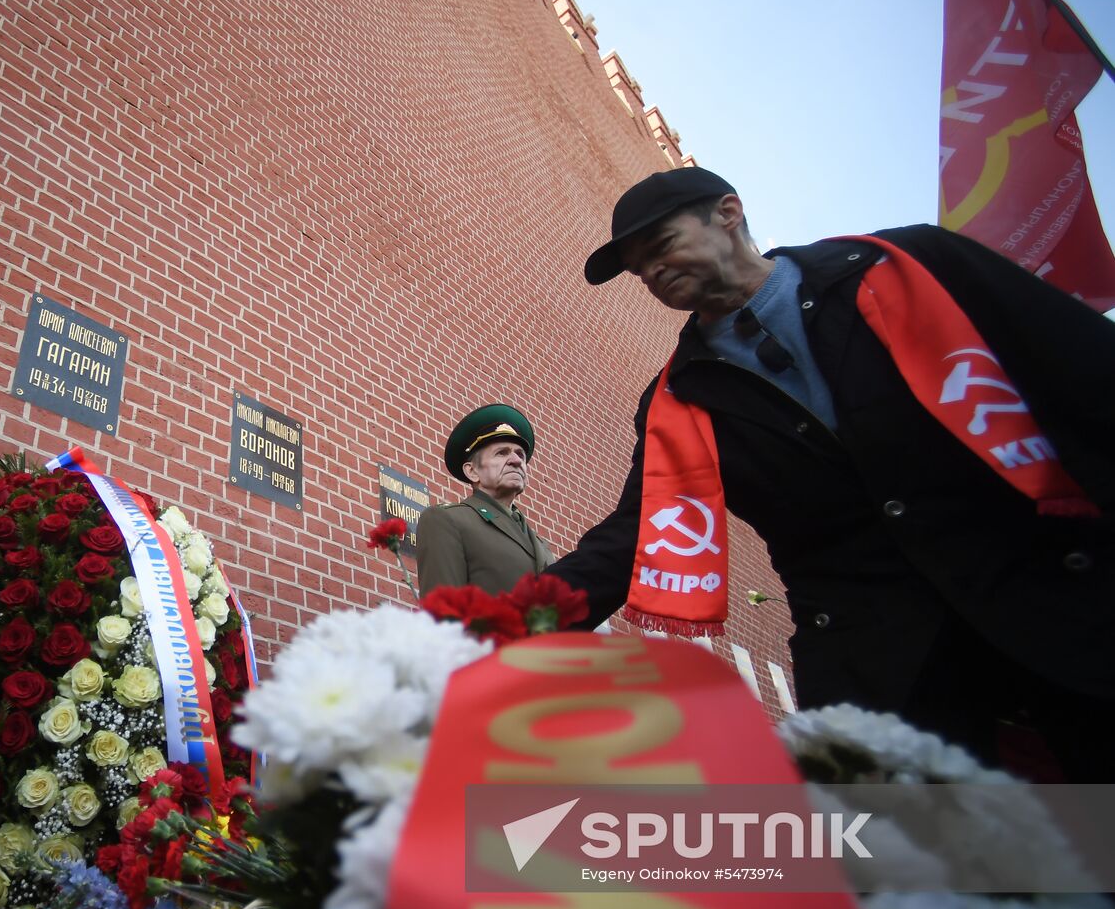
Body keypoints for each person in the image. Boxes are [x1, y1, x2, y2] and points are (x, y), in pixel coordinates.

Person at [547, 166, 1115, 780]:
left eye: (660, 247)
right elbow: (630, 541)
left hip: (1068, 606)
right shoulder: (681, 401)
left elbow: (1085, 376)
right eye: (639, 269)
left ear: (729, 212)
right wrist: (498, 626)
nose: (653, 273)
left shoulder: (910, 269)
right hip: (883, 681)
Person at [417, 404, 554, 597]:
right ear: (472, 471)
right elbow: (444, 615)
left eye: (520, 454)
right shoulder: (449, 520)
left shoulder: (541, 545)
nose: (516, 461)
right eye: (502, 453)